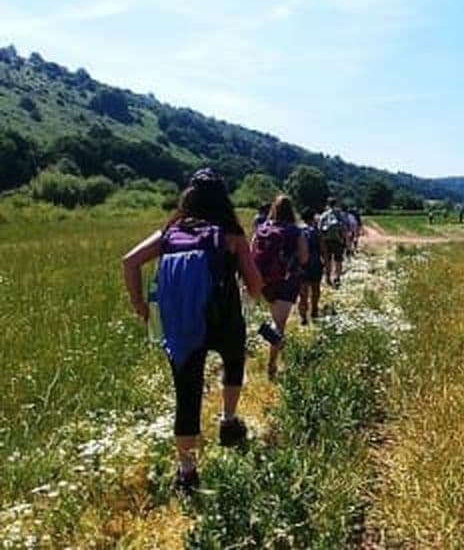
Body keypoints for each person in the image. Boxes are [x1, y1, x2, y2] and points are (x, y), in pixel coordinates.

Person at [122, 168, 263, 492]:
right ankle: (228, 422)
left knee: (186, 395)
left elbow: (129, 262)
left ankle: (187, 472)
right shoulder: (231, 235)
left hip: (183, 321)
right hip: (223, 318)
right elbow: (255, 286)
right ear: (223, 200)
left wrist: (139, 305)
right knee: (233, 361)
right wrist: (251, 291)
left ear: (189, 199)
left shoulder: (171, 233)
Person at [252, 195, 309, 379]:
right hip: (286, 282)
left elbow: (253, 254)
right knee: (279, 326)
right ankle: (271, 366)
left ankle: (271, 343)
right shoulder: (296, 231)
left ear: (273, 209)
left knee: (274, 320)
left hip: (265, 282)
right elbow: (304, 258)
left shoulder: (262, 229)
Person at [298, 207, 324, 325]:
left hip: (301, 266)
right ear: (313, 218)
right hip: (315, 264)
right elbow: (324, 250)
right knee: (315, 289)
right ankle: (314, 310)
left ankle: (303, 317)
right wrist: (327, 266)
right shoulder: (316, 231)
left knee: (303, 293)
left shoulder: (297, 231)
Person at [319, 197, 347, 287]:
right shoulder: (340, 215)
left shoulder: (323, 215)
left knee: (327, 260)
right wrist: (344, 239)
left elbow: (319, 229)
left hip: (326, 240)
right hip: (338, 240)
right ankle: (337, 277)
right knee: (338, 260)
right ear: (336, 204)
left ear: (327, 204)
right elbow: (345, 228)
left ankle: (327, 278)